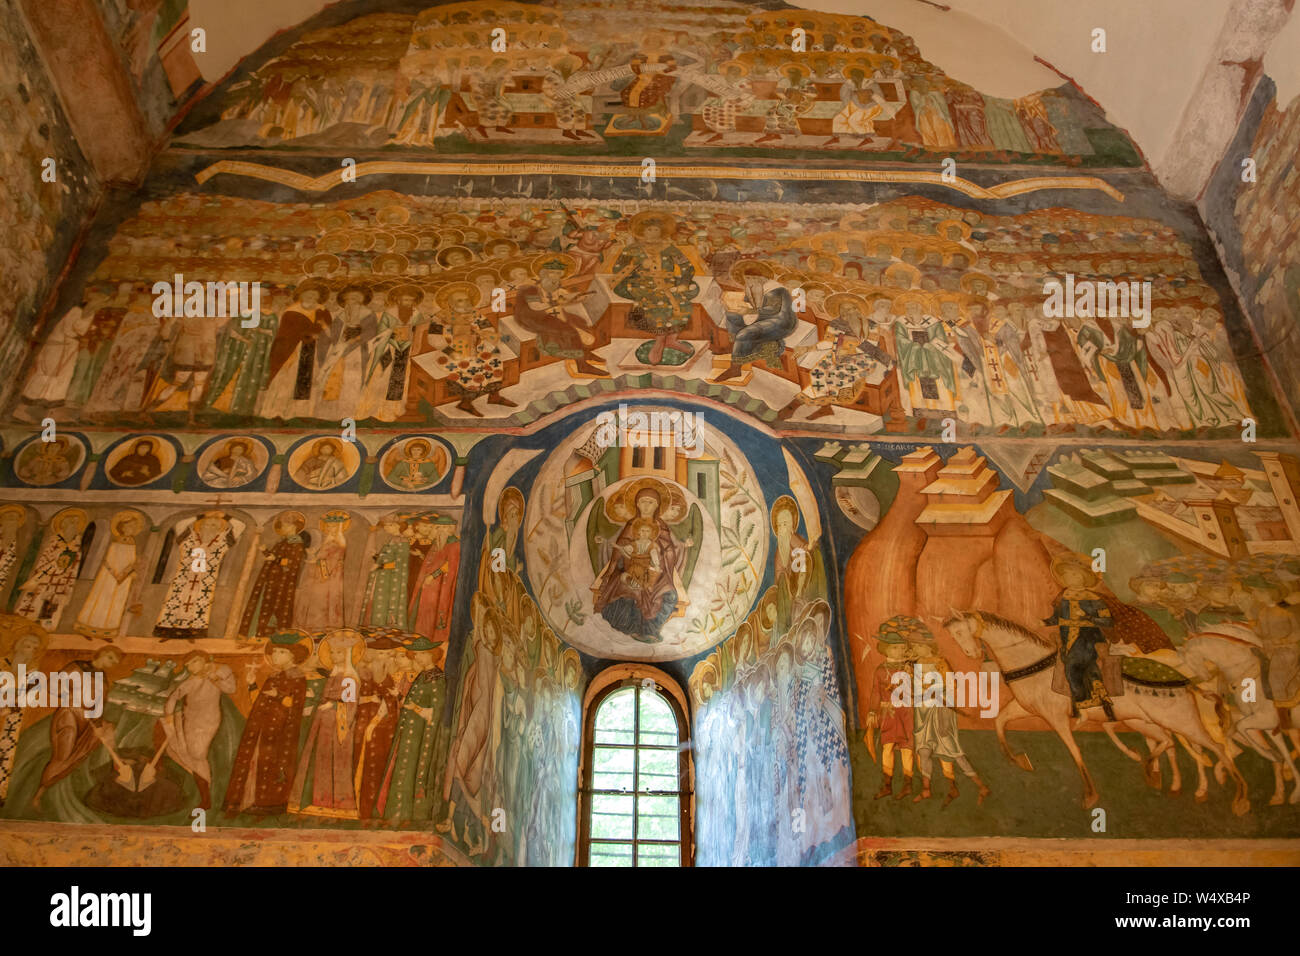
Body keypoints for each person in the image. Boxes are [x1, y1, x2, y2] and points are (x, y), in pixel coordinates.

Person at [224, 632, 311, 817]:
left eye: (281, 652)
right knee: (254, 760)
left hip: (280, 732)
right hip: (261, 727)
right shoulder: (274, 676)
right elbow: (259, 702)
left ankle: (267, 803)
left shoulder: (298, 677)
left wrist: (279, 697)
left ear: (293, 655)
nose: (275, 655)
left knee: (271, 764)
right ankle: (244, 801)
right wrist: (251, 684)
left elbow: (296, 705)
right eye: (274, 651)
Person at [1045, 554, 1115, 723]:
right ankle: (1096, 691)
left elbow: (1108, 621)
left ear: (1085, 578)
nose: (1070, 577)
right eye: (1067, 574)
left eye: (1075, 574)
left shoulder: (1093, 599)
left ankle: (1083, 706)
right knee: (1073, 666)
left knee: (1073, 667)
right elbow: (1056, 618)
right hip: (1067, 640)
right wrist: (1043, 621)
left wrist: (1087, 617)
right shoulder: (1063, 597)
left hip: (1088, 638)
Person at [238, 511, 309, 637]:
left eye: (284, 526)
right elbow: (276, 557)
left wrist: (274, 559)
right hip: (271, 579)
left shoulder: (296, 543)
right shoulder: (283, 542)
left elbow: (291, 563)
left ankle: (268, 634)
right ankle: (255, 633)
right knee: (264, 604)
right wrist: (266, 552)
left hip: (282, 582)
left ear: (293, 527)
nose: (282, 529)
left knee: (274, 606)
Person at [74, 511, 144, 639]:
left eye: (134, 527)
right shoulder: (117, 541)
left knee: (116, 604)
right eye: (130, 526)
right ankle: (87, 629)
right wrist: (117, 574)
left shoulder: (132, 542)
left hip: (124, 579)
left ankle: (107, 632)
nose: (132, 529)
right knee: (100, 602)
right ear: (122, 527)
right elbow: (109, 561)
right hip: (109, 578)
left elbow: (131, 561)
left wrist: (131, 572)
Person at [717, 275, 797, 382]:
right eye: (747, 279)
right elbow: (748, 301)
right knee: (732, 315)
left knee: (744, 334)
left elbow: (773, 310)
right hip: (763, 316)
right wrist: (730, 301)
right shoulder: (755, 287)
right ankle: (736, 348)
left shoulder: (774, 289)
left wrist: (748, 311)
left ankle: (735, 368)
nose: (748, 282)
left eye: (751, 278)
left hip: (781, 322)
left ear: (760, 278)